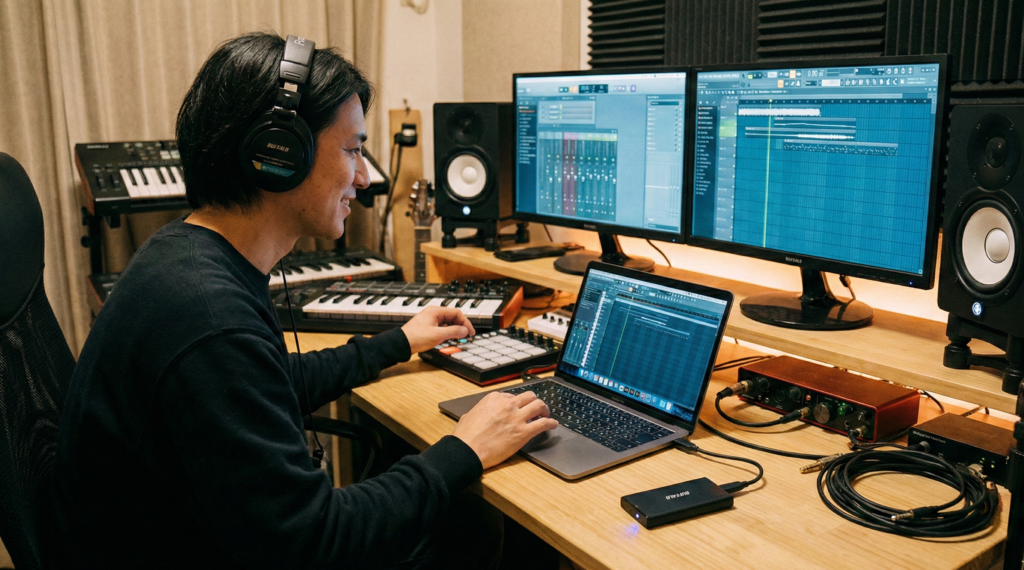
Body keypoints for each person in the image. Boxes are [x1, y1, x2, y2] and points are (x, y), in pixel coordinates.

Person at [53, 32, 558, 569]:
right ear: (280, 155)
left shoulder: (184, 255)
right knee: (476, 522)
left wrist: (397, 343)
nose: (362, 177)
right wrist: (466, 448)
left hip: (186, 535)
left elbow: (267, 383)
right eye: (352, 150)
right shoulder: (211, 320)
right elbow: (313, 540)